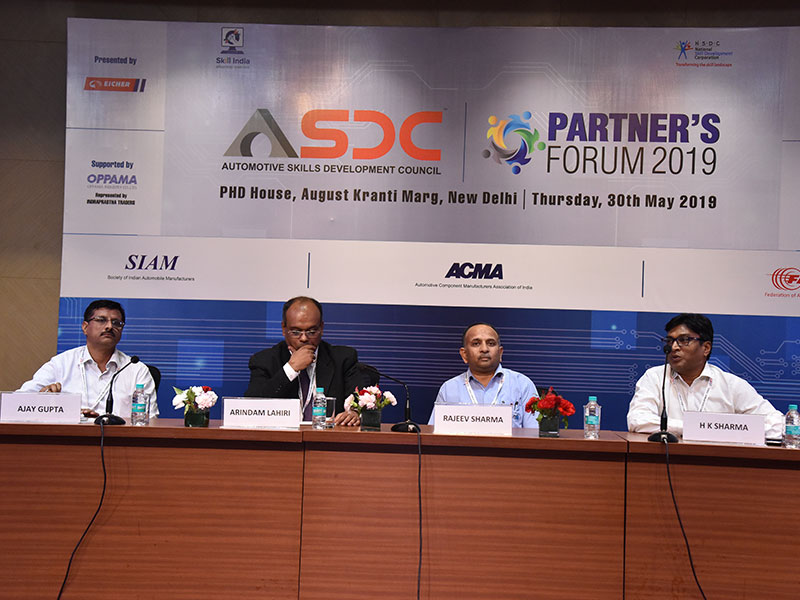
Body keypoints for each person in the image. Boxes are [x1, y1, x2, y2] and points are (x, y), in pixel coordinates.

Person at [627, 313, 783, 438]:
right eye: (670, 341)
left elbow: (778, 425)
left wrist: (729, 430)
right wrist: (697, 427)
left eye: (684, 340)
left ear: (706, 348)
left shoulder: (731, 385)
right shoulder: (655, 377)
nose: (674, 347)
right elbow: (637, 419)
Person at [18, 299, 158, 421]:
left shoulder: (136, 370)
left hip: (120, 440)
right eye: (101, 320)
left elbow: (150, 420)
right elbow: (18, 403)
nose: (109, 326)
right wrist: (42, 400)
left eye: (116, 323)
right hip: (69, 437)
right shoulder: (62, 364)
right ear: (85, 327)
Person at [244, 296, 369, 426]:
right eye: (296, 332)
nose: (304, 338)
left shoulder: (343, 359)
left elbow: (360, 401)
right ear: (284, 329)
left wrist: (354, 413)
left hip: (328, 435)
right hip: (283, 436)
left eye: (311, 332)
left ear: (321, 328)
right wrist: (291, 369)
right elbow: (252, 406)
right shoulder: (264, 360)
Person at [429, 322, 539, 428]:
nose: (484, 349)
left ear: (500, 353)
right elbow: (433, 434)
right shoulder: (449, 389)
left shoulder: (523, 385)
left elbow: (535, 433)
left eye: (491, 343)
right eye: (476, 343)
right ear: (464, 354)